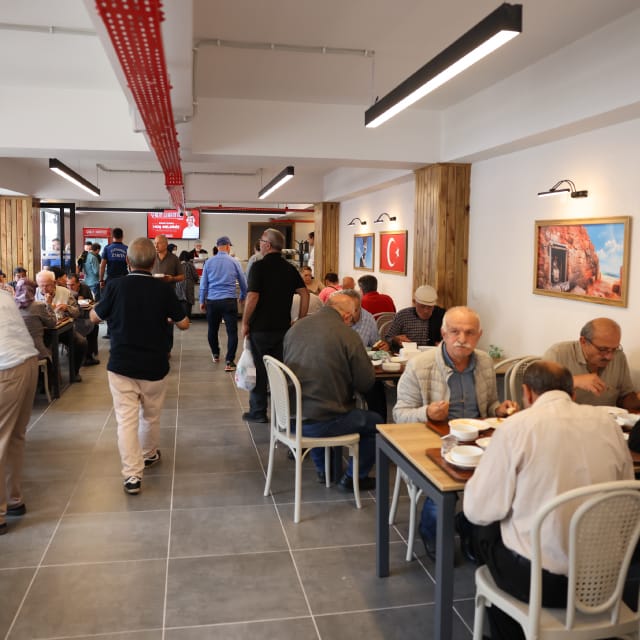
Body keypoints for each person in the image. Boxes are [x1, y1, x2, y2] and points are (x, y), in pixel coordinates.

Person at [463, 360, 633, 640]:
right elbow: (626, 495)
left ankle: (510, 628)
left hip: (543, 583)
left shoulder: (516, 427)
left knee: (477, 529)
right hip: (607, 578)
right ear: (572, 394)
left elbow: (478, 510)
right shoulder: (608, 424)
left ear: (527, 393)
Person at [393, 306, 517, 559]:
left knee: (508, 480)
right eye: (455, 332)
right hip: (434, 441)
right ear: (443, 334)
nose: (462, 339)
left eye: (469, 333)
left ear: (479, 335)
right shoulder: (420, 365)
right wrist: (428, 412)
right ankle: (432, 533)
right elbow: (399, 414)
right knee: (443, 491)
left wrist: (499, 410)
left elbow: (489, 405)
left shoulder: (484, 362)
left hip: (478, 442)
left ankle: (473, 530)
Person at [90, 237, 189, 495]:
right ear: (154, 261)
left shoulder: (115, 286)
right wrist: (168, 317)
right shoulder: (163, 289)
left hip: (121, 365)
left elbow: (95, 317)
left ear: (127, 260)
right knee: (151, 416)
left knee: (126, 421)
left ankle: (132, 476)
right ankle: (149, 454)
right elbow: (184, 323)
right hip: (155, 365)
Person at [284, 293, 380, 490]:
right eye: (352, 319)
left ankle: (323, 470)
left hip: (289, 418)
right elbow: (366, 383)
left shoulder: (296, 328)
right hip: (322, 422)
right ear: (346, 316)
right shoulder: (347, 335)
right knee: (375, 422)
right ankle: (354, 477)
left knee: (317, 400)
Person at [241, 228, 309, 423]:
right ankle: (283, 414)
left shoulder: (259, 267)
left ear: (268, 245)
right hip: (283, 328)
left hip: (260, 328)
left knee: (259, 370)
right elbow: (304, 293)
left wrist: (245, 321)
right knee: (280, 371)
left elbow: (253, 296)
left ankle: (258, 412)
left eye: (262, 241)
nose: (260, 244)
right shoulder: (290, 268)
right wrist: (300, 319)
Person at [0, 288, 39, 534]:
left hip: (5, 368)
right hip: (28, 363)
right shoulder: (4, 294)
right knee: (14, 436)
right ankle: (13, 498)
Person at [543, 317, 640, 409]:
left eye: (614, 349)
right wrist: (573, 381)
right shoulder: (558, 353)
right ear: (583, 342)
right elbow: (539, 393)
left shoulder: (618, 357)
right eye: (603, 349)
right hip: (566, 418)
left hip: (605, 419)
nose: (609, 357)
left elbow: (623, 400)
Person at [199, 236, 247, 371]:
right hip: (229, 301)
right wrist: (243, 295)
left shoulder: (209, 262)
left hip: (212, 301)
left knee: (212, 329)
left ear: (217, 246)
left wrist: (202, 300)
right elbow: (243, 282)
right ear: (227, 246)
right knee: (232, 332)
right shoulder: (234, 262)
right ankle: (229, 361)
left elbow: (203, 284)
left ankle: (215, 354)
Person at [35, 269, 87, 382]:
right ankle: (49, 380)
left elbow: (77, 312)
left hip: (64, 330)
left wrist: (67, 308)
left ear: (54, 283)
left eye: (47, 285)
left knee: (81, 342)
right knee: (43, 349)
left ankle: (74, 372)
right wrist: (47, 305)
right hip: (43, 332)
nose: (44, 289)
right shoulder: (34, 294)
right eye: (41, 286)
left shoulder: (65, 292)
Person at [385, 284, 445, 349]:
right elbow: (388, 338)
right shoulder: (402, 316)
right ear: (414, 302)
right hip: (407, 353)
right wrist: (395, 340)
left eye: (430, 307)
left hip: (432, 353)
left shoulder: (441, 316)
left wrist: (444, 344)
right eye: (422, 306)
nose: (426, 311)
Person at [152, 234, 185, 353]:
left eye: (158, 243)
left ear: (165, 244)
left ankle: (167, 349)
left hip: (169, 296)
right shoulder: (151, 257)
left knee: (168, 323)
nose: (156, 245)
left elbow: (182, 276)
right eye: (154, 243)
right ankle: (155, 347)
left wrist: (172, 279)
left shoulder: (174, 259)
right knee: (154, 322)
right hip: (152, 295)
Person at [14, 278, 57, 361]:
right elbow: (52, 323)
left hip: (17, 354)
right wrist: (49, 304)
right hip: (36, 352)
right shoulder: (38, 306)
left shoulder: (11, 306)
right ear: (33, 290)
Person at [99, 228, 128, 339]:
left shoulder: (107, 248)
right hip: (123, 280)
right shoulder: (127, 249)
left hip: (111, 281)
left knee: (109, 304)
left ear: (112, 236)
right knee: (122, 305)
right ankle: (122, 330)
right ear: (122, 236)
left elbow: (102, 266)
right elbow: (130, 265)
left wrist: (101, 280)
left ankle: (110, 332)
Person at [67, 273, 100, 366]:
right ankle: (82, 354)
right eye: (68, 285)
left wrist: (86, 303)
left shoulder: (85, 288)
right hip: (72, 317)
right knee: (87, 326)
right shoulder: (65, 291)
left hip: (85, 315)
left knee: (94, 325)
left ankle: (89, 355)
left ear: (78, 283)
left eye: (72, 285)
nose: (70, 287)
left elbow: (91, 301)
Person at [176, 250, 198, 320]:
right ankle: (187, 319)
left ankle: (181, 319)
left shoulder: (177, 264)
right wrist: (195, 280)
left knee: (180, 301)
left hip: (178, 284)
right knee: (188, 302)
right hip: (188, 285)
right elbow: (195, 276)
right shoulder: (190, 265)